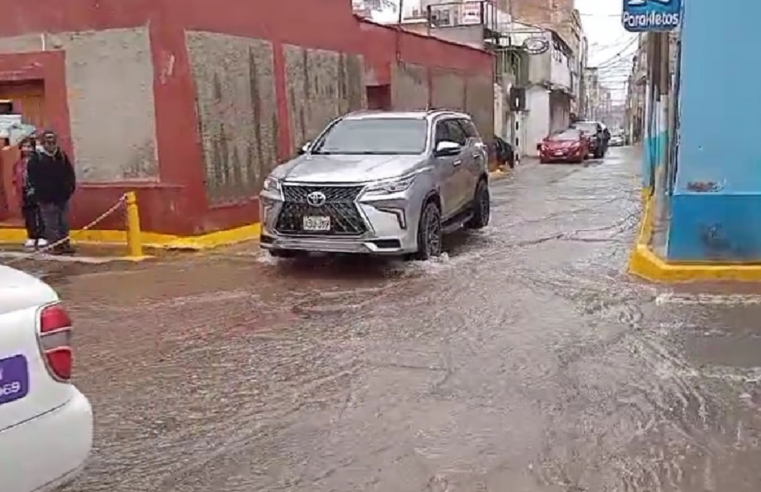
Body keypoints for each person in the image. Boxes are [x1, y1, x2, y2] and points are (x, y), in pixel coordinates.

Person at [27, 130, 76, 254]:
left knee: (63, 222)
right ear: (43, 143)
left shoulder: (62, 156)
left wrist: (69, 189)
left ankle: (65, 244)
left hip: (63, 196)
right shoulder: (36, 159)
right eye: (48, 140)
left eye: (52, 140)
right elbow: (33, 179)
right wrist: (41, 194)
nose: (50, 143)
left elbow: (70, 174)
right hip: (46, 199)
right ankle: (54, 246)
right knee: (51, 224)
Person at [11, 136, 47, 249]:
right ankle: (31, 236)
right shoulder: (18, 163)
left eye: (29, 146)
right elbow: (15, 178)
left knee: (39, 214)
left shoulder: (38, 161)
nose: (26, 149)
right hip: (24, 191)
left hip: (36, 190)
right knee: (28, 215)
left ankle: (42, 236)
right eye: (24, 146)